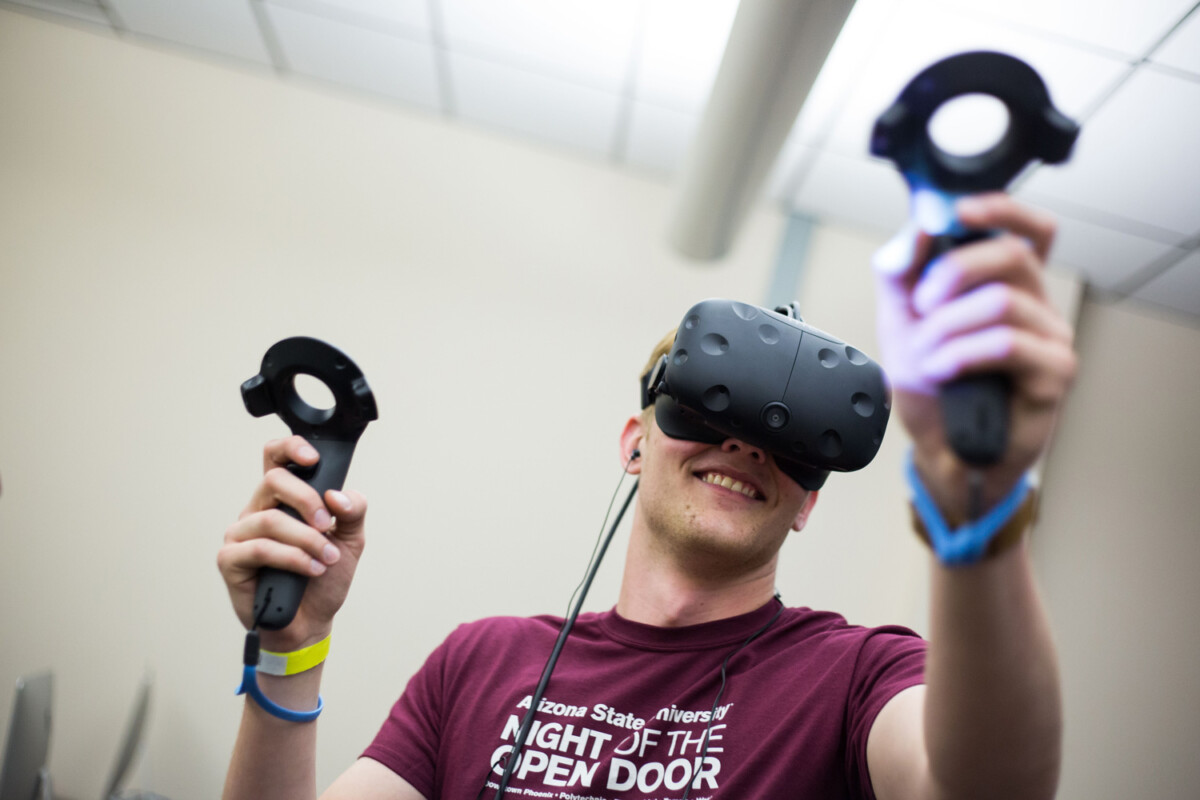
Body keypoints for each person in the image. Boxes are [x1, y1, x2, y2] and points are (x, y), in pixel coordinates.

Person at [218, 193, 1074, 800]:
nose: (745, 444)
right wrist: (295, 646)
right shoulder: (478, 665)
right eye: (707, 408)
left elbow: (983, 787)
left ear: (809, 500)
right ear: (635, 444)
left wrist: (980, 510)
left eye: (792, 441)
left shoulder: (855, 680)